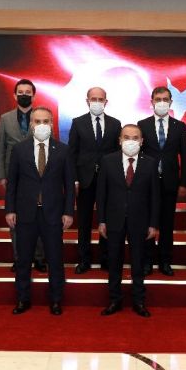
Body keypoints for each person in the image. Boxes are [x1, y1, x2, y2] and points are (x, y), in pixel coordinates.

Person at [5, 107, 75, 315]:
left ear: (52, 124)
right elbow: (12, 183)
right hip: (25, 213)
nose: (42, 125)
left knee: (55, 259)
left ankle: (56, 300)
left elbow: (69, 185)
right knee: (23, 260)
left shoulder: (63, 150)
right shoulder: (19, 149)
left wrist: (69, 211)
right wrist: (10, 210)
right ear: (31, 124)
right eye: (37, 121)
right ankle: (23, 299)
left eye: (46, 121)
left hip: (53, 214)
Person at [97, 125, 160, 317]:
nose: (130, 141)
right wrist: (101, 220)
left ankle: (139, 301)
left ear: (142, 141)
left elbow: (155, 196)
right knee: (114, 261)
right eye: (126, 137)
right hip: (113, 220)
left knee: (138, 262)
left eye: (135, 138)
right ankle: (114, 300)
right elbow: (101, 193)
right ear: (119, 140)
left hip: (140, 221)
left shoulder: (150, 163)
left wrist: (153, 223)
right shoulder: (108, 161)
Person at [68, 87, 122, 274]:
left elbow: (118, 153)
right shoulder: (78, 123)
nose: (97, 102)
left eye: (100, 99)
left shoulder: (115, 124)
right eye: (93, 99)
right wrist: (74, 179)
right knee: (84, 221)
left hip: (108, 181)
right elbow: (72, 153)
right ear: (87, 101)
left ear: (106, 102)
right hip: (85, 180)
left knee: (107, 219)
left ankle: (106, 258)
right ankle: (84, 259)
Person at [137, 86, 186, 276]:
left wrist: (184, 183)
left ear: (171, 102)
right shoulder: (142, 124)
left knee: (167, 224)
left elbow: (185, 156)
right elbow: (138, 154)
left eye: (165, 99)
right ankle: (147, 261)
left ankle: (165, 261)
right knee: (147, 222)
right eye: (158, 99)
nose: (161, 102)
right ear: (151, 102)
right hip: (147, 183)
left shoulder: (179, 126)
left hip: (170, 182)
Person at [0, 79, 46, 273]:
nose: (24, 95)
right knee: (14, 218)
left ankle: (39, 257)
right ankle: (19, 257)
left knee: (39, 216)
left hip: (37, 174)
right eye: (20, 92)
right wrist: (1, 175)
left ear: (34, 95)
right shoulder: (5, 118)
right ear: (15, 95)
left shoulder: (42, 118)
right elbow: (0, 147)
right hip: (12, 175)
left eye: (28, 92)